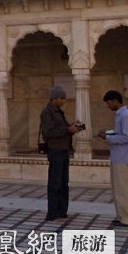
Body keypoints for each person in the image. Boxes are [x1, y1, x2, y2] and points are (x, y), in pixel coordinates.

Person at [40, 85, 82, 222]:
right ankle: (52, 213)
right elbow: (48, 132)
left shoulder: (59, 112)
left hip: (63, 150)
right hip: (55, 150)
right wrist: (67, 130)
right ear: (54, 99)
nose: (63, 101)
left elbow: (62, 128)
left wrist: (72, 127)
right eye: (61, 98)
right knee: (55, 183)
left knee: (64, 182)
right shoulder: (47, 112)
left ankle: (62, 212)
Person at [97, 90, 128, 227]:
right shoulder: (120, 115)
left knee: (123, 191)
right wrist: (108, 133)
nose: (108, 106)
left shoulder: (125, 115)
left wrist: (108, 137)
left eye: (109, 103)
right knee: (118, 190)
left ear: (115, 101)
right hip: (118, 157)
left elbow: (127, 137)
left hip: (122, 158)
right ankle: (121, 216)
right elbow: (120, 133)